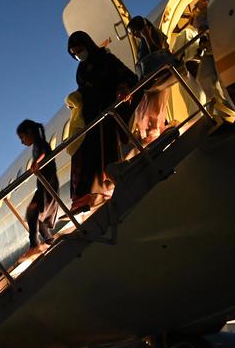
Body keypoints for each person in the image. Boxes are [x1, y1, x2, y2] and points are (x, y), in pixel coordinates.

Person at [67, 30, 138, 211]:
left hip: (110, 108)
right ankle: (86, 195)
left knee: (107, 147)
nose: (78, 55)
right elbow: (82, 90)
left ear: (88, 45)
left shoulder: (105, 59)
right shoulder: (81, 69)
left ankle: (110, 184)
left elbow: (124, 75)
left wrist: (122, 87)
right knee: (84, 151)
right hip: (92, 116)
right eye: (74, 53)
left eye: (80, 50)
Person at [128, 16, 175, 144]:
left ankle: (157, 139)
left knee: (153, 112)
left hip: (157, 79)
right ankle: (155, 138)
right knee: (148, 112)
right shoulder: (141, 43)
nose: (135, 35)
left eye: (135, 31)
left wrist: (147, 36)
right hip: (150, 81)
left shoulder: (152, 36)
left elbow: (158, 53)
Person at [17, 119, 58, 259]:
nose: (22, 142)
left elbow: (45, 151)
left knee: (32, 213)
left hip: (48, 184)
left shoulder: (40, 143)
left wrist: (36, 162)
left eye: (22, 137)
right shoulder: (36, 145)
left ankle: (35, 245)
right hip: (43, 184)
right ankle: (48, 241)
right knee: (33, 215)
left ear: (29, 132)